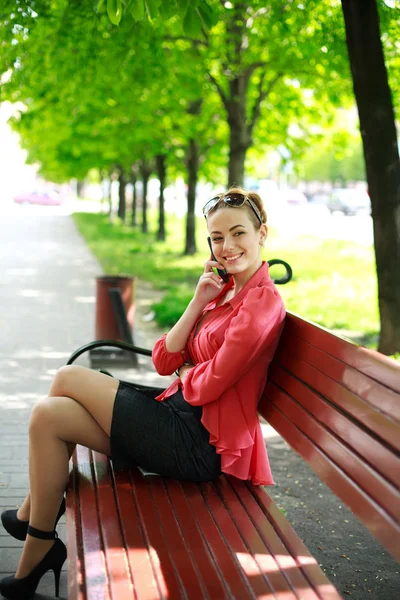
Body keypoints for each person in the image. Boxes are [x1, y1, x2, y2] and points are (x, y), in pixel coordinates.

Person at [0, 187, 285, 600]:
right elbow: (163, 360)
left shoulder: (261, 303)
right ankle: (37, 544)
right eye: (217, 237)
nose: (227, 246)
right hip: (175, 415)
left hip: (198, 442)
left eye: (238, 233)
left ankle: (33, 519)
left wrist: (190, 369)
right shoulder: (225, 292)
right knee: (48, 415)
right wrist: (198, 299)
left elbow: (207, 384)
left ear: (262, 235)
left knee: (67, 377)